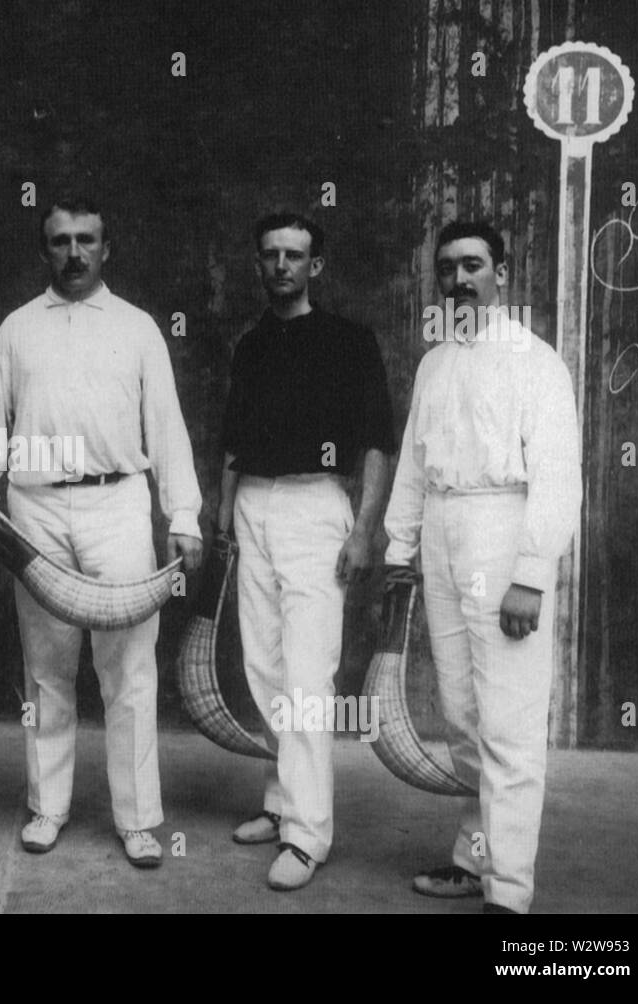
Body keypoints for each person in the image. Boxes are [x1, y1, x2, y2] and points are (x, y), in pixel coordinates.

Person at [0, 197, 203, 869]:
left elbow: (167, 427)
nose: (73, 252)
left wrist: (182, 516)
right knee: (46, 672)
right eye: (59, 240)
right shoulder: (16, 330)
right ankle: (47, 807)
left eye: (85, 239)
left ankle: (139, 819)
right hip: (33, 512)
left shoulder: (139, 328)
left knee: (128, 671)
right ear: (45, 250)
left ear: (106, 247)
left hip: (117, 505)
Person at [382, 220, 581, 914]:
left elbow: (557, 478)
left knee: (510, 724)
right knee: (463, 719)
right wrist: (398, 550)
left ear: (502, 271)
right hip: (442, 532)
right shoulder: (435, 363)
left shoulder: (535, 360)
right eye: (447, 269)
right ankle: (474, 860)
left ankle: (510, 896)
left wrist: (530, 572)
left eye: (473, 266)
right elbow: (413, 462)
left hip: (505, 534)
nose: (459, 280)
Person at [216, 212, 396, 891]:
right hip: (253, 506)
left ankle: (308, 834)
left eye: (294, 255)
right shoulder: (251, 344)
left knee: (306, 680)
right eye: (270, 255)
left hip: (318, 509)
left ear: (315, 266)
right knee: (263, 667)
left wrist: (364, 530)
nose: (281, 266)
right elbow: (234, 442)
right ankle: (281, 801)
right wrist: (225, 511)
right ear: (260, 264)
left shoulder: (350, 341)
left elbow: (375, 442)